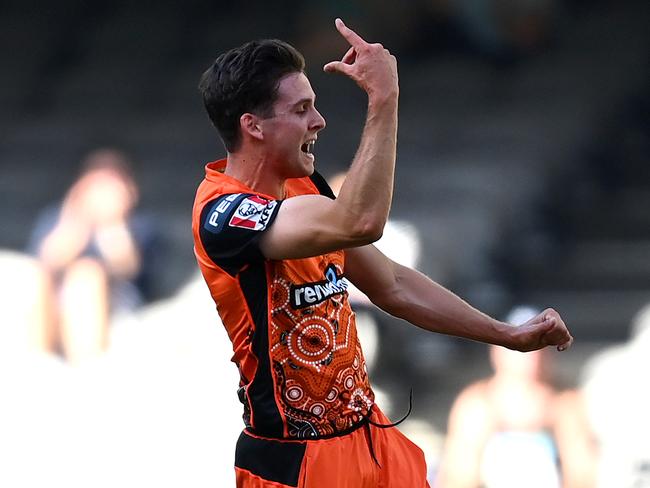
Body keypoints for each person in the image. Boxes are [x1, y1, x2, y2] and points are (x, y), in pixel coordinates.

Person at [192, 18, 572, 488]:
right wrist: (384, 98)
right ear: (253, 126)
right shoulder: (223, 215)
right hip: (298, 462)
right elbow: (362, 222)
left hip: (372, 440)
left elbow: (390, 283)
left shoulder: (303, 189)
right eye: (302, 109)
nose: (319, 121)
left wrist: (503, 334)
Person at [435, 306, 592, 488]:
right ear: (497, 352)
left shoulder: (565, 404)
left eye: (537, 348)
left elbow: (581, 472)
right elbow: (459, 474)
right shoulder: (477, 403)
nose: (530, 357)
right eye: (521, 349)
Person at [29, 148, 158, 365]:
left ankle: (85, 366)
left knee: (86, 275)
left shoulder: (141, 225)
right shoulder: (57, 218)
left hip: (118, 300)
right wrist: (77, 216)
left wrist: (112, 221)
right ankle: (38, 361)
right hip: (58, 300)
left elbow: (128, 267)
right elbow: (49, 260)